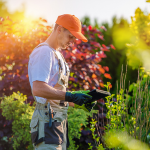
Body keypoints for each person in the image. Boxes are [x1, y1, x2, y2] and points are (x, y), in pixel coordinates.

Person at [28, 14, 94, 150]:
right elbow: (38, 89)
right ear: (59, 29)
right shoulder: (44, 52)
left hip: (57, 124)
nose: (72, 41)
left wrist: (77, 102)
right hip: (47, 124)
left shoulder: (57, 54)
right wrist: (71, 95)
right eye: (70, 36)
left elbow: (55, 95)